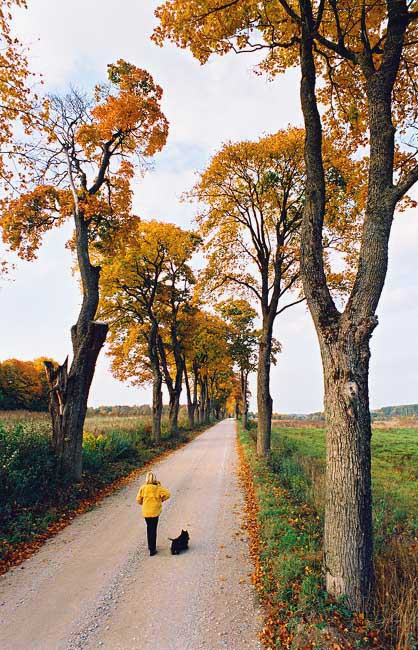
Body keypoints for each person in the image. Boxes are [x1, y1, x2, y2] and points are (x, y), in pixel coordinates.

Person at [136, 471, 170, 556]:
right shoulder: (158, 488)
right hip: (155, 512)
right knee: (153, 529)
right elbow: (168, 494)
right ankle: (152, 549)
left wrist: (143, 503)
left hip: (146, 512)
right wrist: (161, 500)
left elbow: (138, 499)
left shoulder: (143, 488)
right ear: (155, 479)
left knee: (149, 528)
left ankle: (150, 546)